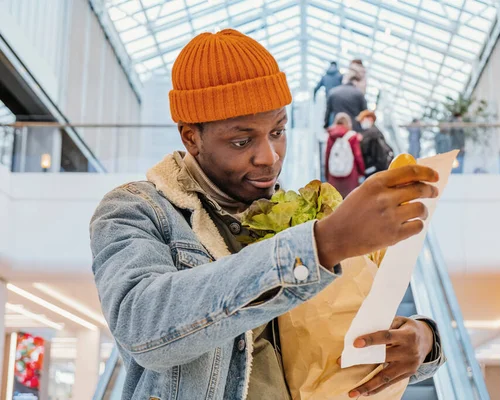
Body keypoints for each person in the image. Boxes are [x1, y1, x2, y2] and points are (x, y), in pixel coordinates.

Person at [90, 29, 445, 400]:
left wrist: (423, 340)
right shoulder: (135, 210)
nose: (269, 157)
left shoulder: (301, 209)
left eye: (278, 131)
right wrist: (320, 245)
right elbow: (143, 326)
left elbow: (340, 332)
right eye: (242, 141)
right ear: (191, 137)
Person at [325, 112, 366, 197]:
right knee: (350, 201)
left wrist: (327, 174)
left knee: (336, 202)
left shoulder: (331, 136)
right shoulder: (352, 136)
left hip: (334, 175)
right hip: (351, 175)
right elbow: (357, 156)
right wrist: (361, 172)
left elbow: (327, 155)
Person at [357, 110, 394, 176]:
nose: (361, 123)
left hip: (373, 167)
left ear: (370, 119)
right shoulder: (378, 131)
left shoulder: (369, 133)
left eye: (362, 120)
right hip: (380, 167)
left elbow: (363, 149)